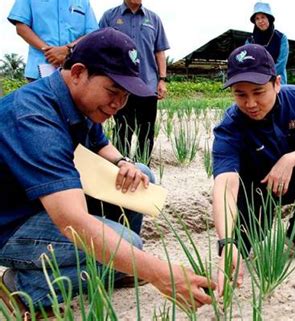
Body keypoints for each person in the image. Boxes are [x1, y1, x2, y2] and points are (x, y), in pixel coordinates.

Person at [0, 28, 214, 317]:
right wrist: (161, 274)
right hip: (12, 222)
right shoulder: (35, 118)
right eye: (113, 92)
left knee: (140, 174)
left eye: (125, 96)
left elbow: (100, 142)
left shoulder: (77, 100)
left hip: (41, 202)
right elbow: (71, 221)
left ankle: (115, 266)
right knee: (127, 244)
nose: (118, 104)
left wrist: (124, 162)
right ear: (78, 72)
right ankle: (24, 285)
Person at [212, 44, 295, 295]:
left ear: (277, 83)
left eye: (258, 92)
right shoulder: (230, 126)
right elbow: (225, 186)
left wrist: (289, 159)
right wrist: (226, 242)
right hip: (256, 190)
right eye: (240, 94)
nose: (250, 103)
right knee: (244, 244)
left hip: (293, 180)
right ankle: (249, 231)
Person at [99, 0, 170, 163]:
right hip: (119, 85)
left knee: (147, 129)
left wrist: (162, 80)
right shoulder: (110, 17)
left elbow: (159, 52)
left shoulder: (154, 19)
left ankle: (143, 164)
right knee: (123, 127)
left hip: (148, 84)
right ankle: (121, 164)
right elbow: (99, 47)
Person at [7, 0, 98, 81]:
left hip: (74, 72)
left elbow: (92, 33)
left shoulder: (84, 2)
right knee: (37, 99)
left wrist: (68, 50)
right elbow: (21, 27)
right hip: (38, 71)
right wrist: (49, 51)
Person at [247, 2, 289, 84]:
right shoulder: (250, 41)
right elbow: (248, 62)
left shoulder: (281, 38)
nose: (260, 21)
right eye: (257, 18)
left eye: (263, 17)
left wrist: (265, 78)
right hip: (257, 83)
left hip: (277, 82)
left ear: (269, 18)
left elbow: (281, 64)